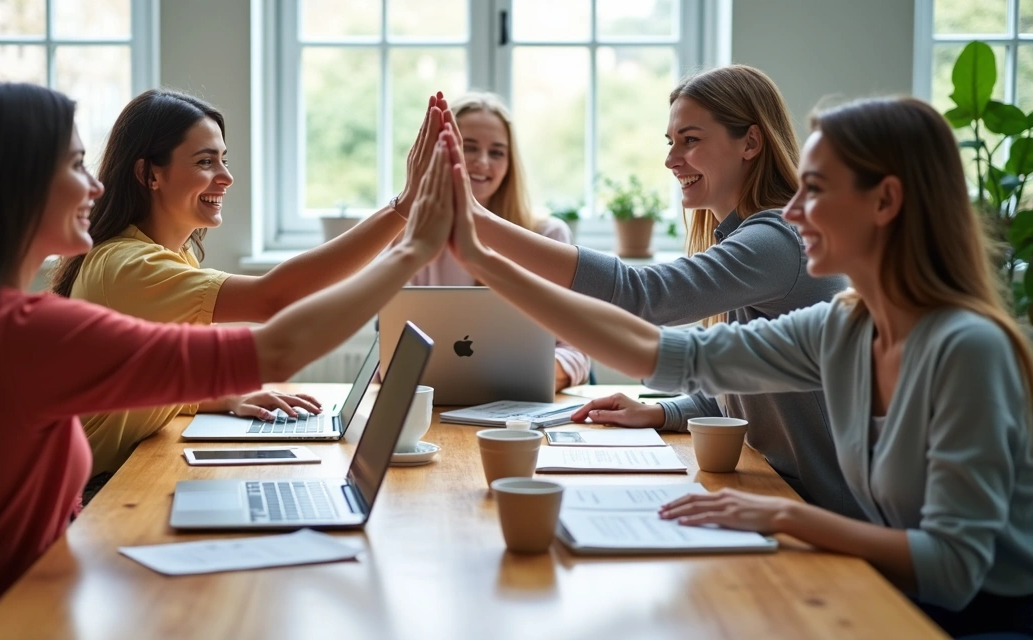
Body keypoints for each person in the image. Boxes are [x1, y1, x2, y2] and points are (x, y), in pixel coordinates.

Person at [0, 80, 459, 637]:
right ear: (16, 184)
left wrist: (211, 393)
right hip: (19, 617)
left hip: (33, 593)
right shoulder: (31, 329)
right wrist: (412, 245)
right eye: (77, 165)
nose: (95, 185)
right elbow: (277, 338)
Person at [443, 96, 1033, 637]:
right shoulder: (844, 327)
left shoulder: (967, 349)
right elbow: (673, 357)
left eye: (816, 190)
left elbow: (954, 572)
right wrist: (479, 258)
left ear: (885, 201)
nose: (794, 213)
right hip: (893, 593)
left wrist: (782, 515)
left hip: (977, 619)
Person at [449, 66, 859, 518]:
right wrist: (661, 412)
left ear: (750, 143)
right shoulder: (747, 239)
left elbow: (644, 294)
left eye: (690, 140)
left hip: (823, 508)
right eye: (671, 142)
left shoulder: (779, 240)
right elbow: (741, 385)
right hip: (782, 494)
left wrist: (479, 225)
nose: (671, 159)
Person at [48, 89, 452, 480]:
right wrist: (402, 209)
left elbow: (144, 374)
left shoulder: (169, 257)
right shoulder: (127, 265)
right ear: (149, 174)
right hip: (96, 490)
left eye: (223, 160)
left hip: (114, 476)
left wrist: (222, 399)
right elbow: (275, 299)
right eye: (206, 162)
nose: (226, 177)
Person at [405, 92, 589, 391]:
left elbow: (575, 353)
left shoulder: (547, 235)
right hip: (437, 408)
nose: (482, 162)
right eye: (468, 147)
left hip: (520, 407)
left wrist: (504, 379)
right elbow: (390, 356)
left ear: (510, 163)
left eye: (497, 152)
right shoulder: (410, 236)